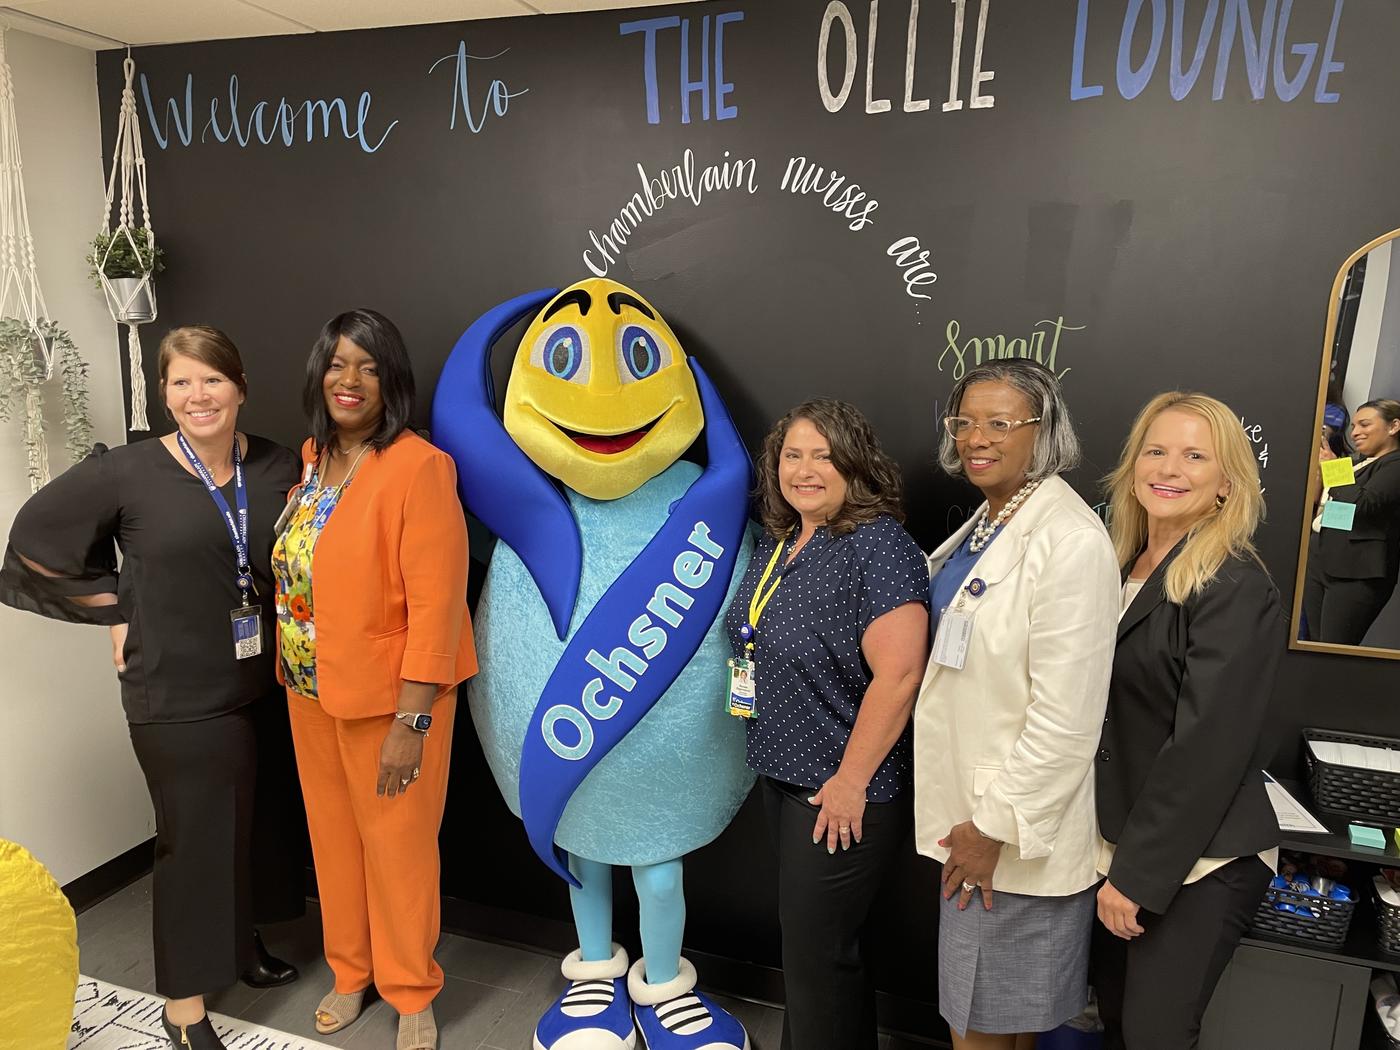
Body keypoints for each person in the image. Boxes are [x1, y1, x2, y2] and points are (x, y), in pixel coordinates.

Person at [0, 326, 305, 1050]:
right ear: (164, 394)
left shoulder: (274, 464)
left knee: (255, 824)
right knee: (195, 841)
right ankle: (185, 1009)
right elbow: (31, 546)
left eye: (212, 380)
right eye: (181, 383)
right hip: (174, 693)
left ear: (240, 388)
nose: (197, 396)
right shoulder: (127, 472)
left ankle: (241, 948)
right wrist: (113, 608)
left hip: (262, 680)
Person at [273, 308, 476, 1050]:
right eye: (336, 364)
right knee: (334, 841)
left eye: (367, 366)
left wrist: (411, 723)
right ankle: (351, 972)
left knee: (399, 847)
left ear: (391, 382)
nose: (348, 380)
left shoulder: (420, 466)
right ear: (318, 374)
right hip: (308, 687)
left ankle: (411, 989)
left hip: (395, 701)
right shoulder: (311, 456)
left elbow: (438, 607)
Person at [914, 359, 1118, 1050]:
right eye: (965, 421)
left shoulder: (1070, 540)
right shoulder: (992, 518)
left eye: (1001, 423)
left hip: (1010, 838)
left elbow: (1068, 718)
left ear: (1044, 431)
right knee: (972, 1016)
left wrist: (993, 826)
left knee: (987, 1024)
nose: (977, 437)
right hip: (973, 821)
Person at [722, 398, 929, 1050]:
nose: (805, 470)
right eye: (793, 455)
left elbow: (899, 676)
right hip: (786, 778)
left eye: (823, 455)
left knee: (815, 960)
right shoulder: (784, 538)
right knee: (829, 954)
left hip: (842, 791)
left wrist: (849, 781)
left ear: (855, 464)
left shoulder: (879, 546)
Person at [1092, 392, 1285, 1050]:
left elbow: (1206, 747)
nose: (1169, 468)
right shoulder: (1119, 565)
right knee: (1117, 1023)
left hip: (1200, 860)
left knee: (1154, 1035)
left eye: (1194, 455)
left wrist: (1137, 876)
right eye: (1156, 450)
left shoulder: (1235, 584)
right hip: (1118, 839)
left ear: (1227, 481)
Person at [1303, 397, 1400, 645]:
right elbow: (1340, 515)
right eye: (1354, 426)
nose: (1356, 432)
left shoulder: (1394, 465)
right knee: (1313, 646)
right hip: (1322, 560)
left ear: (1394, 426)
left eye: (1365, 425)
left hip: (1355, 573)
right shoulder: (1356, 463)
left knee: (1333, 648)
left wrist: (1334, 469)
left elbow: (1363, 506)